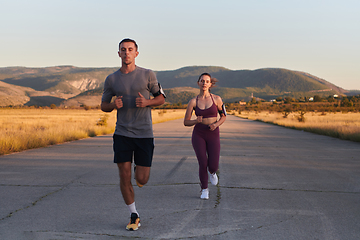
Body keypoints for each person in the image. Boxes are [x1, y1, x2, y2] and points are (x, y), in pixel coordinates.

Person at [101, 38, 165, 231]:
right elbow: (103, 105)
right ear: (118, 53)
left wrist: (147, 103)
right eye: (123, 50)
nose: (126, 53)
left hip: (144, 134)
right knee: (124, 174)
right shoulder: (111, 79)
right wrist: (113, 105)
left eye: (130, 49)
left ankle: (140, 173)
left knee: (142, 178)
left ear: (136, 53)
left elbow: (161, 98)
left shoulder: (147, 75)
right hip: (122, 133)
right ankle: (134, 214)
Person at [184, 73, 226, 199]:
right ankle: (204, 189)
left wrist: (216, 124)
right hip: (199, 134)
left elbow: (223, 116)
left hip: (213, 133)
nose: (204, 83)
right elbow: (186, 122)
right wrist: (196, 121)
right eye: (202, 81)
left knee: (213, 165)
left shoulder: (217, 99)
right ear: (198, 83)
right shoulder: (193, 102)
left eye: (207, 81)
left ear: (210, 84)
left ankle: (212, 172)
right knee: (202, 162)